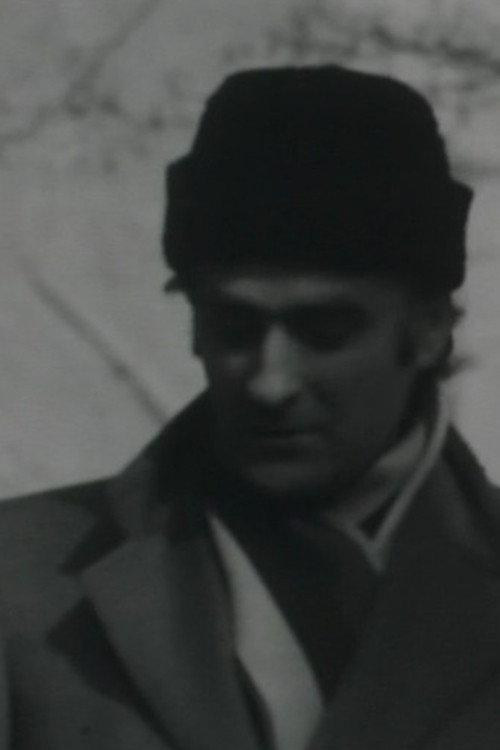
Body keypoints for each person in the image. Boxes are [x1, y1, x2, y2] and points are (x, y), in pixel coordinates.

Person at [0, 64, 498, 750]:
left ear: (430, 330)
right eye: (235, 328)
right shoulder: (18, 576)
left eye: (325, 332)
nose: (270, 382)